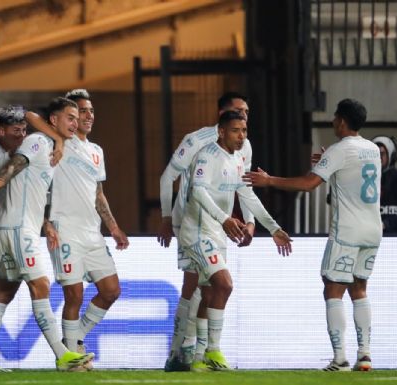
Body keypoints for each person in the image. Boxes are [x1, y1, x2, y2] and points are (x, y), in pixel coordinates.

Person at [243, 98, 380, 372]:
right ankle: (364, 354)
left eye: (334, 117)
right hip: (373, 229)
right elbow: (349, 172)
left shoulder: (340, 150)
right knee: (359, 289)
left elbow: (308, 184)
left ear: (342, 120)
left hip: (348, 231)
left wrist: (269, 180)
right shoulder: (372, 148)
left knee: (332, 286)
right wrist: (327, 161)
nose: (332, 122)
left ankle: (340, 358)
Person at [0, 97, 94, 372]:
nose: (76, 122)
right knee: (41, 286)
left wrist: (46, 222)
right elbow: (15, 166)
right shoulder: (39, 143)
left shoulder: (52, 147)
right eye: (69, 117)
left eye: (76, 117)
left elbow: (32, 187)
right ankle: (63, 354)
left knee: (2, 293)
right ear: (53, 121)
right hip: (19, 231)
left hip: (14, 229)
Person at [180, 110, 292, 371]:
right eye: (235, 130)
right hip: (197, 233)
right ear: (221, 131)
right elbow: (197, 192)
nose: (241, 136)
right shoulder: (207, 156)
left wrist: (273, 228)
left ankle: (198, 359)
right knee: (225, 284)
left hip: (217, 233)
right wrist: (224, 218)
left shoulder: (238, 160)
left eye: (244, 131)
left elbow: (248, 196)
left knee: (210, 293)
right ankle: (213, 351)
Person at [158, 92, 256, 371]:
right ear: (223, 114)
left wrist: (249, 220)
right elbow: (168, 177)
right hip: (191, 221)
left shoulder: (243, 145)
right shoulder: (196, 140)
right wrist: (166, 218)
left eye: (247, 112)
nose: (245, 116)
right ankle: (181, 351)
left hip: (218, 224)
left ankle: (192, 354)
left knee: (205, 286)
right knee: (195, 287)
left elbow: (243, 184)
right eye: (240, 111)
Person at [43, 89, 129, 371]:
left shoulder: (96, 151)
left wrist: (113, 226)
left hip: (93, 233)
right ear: (67, 118)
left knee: (111, 290)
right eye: (82, 111)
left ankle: (73, 343)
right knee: (74, 296)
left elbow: (98, 193)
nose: (88, 115)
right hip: (64, 229)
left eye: (91, 111)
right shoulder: (58, 143)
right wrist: (45, 222)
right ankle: (70, 359)